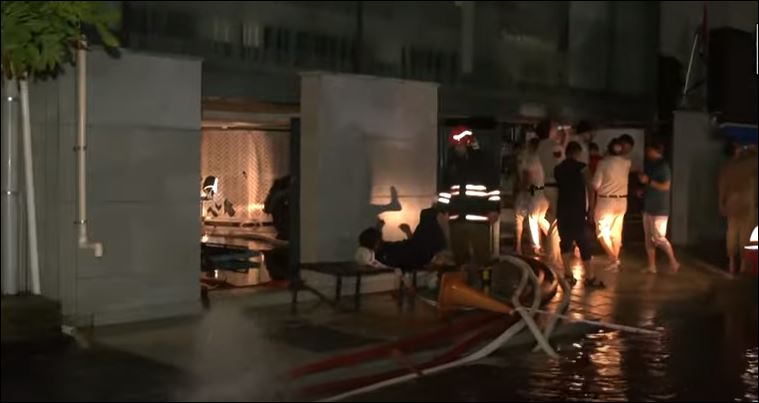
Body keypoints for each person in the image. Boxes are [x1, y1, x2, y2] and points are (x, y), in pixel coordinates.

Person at [438, 126, 501, 270]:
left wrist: (493, 209)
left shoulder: (483, 162)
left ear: (467, 143)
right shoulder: (453, 162)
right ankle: (464, 281)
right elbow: (446, 189)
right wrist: (442, 209)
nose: (457, 148)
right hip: (457, 218)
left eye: (459, 145)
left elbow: (493, 188)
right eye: (455, 146)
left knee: (482, 259)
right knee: (460, 258)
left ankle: (482, 282)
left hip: (479, 218)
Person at [555, 141, 601, 287]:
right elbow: (591, 188)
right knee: (583, 242)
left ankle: (568, 274)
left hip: (562, 208)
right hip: (577, 209)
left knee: (565, 241)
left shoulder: (558, 168)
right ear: (578, 153)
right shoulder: (582, 168)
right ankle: (589, 276)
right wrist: (591, 209)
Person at [638, 142, 679, 274]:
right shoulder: (650, 165)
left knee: (659, 237)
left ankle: (673, 261)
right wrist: (643, 190)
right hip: (648, 206)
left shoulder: (663, 166)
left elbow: (666, 186)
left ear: (656, 151)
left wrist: (648, 181)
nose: (647, 152)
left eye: (649, 150)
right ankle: (651, 266)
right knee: (648, 238)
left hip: (660, 208)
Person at [591, 138, 631, 270]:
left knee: (601, 231)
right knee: (616, 232)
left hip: (606, 201)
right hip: (622, 200)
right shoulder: (627, 163)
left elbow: (595, 184)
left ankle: (613, 258)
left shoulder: (603, 163)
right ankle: (614, 261)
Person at [719, 143, 758, 274]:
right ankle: (742, 264)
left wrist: (721, 204)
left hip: (731, 203)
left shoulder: (727, 167)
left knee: (732, 232)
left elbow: (722, 188)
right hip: (746, 203)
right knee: (745, 234)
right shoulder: (748, 164)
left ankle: (731, 263)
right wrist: (753, 149)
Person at [535, 119, 566, 269]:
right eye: (555, 128)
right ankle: (554, 259)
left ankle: (552, 256)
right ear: (549, 131)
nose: (557, 131)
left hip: (540, 187)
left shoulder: (538, 147)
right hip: (554, 186)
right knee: (555, 223)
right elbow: (562, 165)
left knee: (545, 219)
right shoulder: (555, 147)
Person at [355, 225, 409, 291]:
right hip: (388, 260)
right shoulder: (367, 252)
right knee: (398, 269)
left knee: (399, 267)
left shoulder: (381, 248)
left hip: (393, 257)